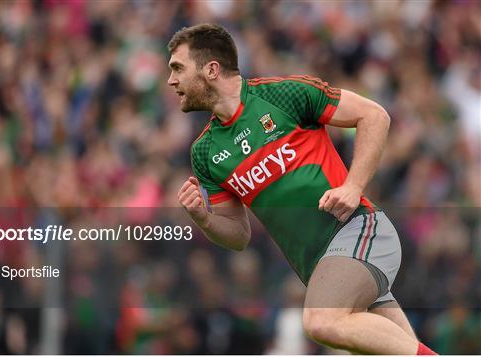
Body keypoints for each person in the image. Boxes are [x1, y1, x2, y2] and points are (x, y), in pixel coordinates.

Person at [168, 23, 436, 355]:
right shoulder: (204, 152)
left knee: (320, 321)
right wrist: (204, 219)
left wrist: (353, 186)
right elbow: (238, 234)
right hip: (322, 267)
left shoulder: (283, 94)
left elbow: (374, 116)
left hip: (356, 231)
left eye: (178, 68)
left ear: (211, 69)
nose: (171, 80)